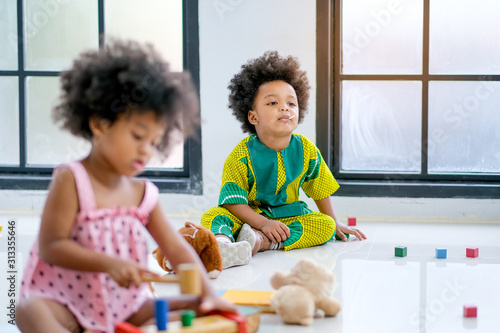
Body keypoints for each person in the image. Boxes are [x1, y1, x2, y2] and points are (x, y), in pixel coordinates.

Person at [16, 40, 235, 333]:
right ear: (100, 123)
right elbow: (51, 247)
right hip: (67, 302)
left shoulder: (144, 195)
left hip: (125, 305)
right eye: (137, 136)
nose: (146, 151)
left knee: (196, 306)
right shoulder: (71, 179)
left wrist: (206, 292)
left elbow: (177, 250)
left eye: (154, 142)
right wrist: (108, 264)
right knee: (29, 310)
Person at [201, 51, 367, 269]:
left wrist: (335, 222)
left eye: (291, 103)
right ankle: (223, 245)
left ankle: (261, 243)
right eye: (272, 103)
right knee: (213, 216)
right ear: (253, 117)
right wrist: (262, 223)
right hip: (249, 217)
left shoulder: (306, 149)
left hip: (288, 217)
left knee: (325, 226)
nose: (284, 108)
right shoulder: (241, 155)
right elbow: (233, 201)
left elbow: (319, 188)